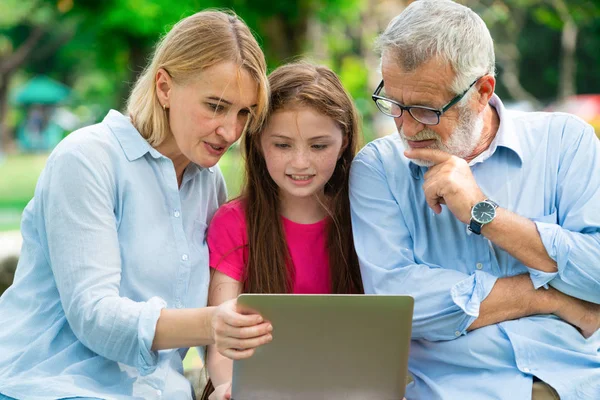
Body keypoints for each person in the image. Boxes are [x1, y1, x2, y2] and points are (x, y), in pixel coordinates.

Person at [0, 11, 273, 400]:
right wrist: (213, 324)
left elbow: (217, 315)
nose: (230, 131)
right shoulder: (86, 159)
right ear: (164, 86)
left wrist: (227, 383)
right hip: (48, 386)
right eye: (215, 106)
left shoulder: (208, 183)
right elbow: (95, 317)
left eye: (243, 113)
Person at [349, 1, 600, 399]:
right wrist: (546, 296)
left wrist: (487, 215)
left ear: (482, 91)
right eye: (394, 103)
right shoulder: (379, 169)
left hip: (573, 386)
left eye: (426, 110)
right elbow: (396, 306)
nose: (407, 127)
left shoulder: (567, 143)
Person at [202, 62, 364, 400]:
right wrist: (229, 388)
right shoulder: (234, 222)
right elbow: (221, 345)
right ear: (259, 142)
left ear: (344, 140)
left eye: (319, 146)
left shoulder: (365, 216)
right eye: (282, 145)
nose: (301, 163)